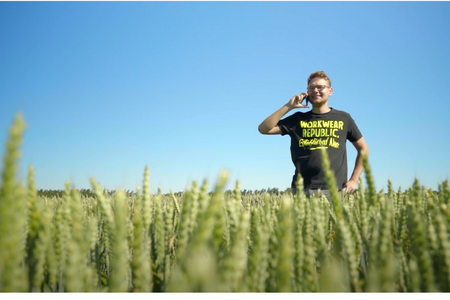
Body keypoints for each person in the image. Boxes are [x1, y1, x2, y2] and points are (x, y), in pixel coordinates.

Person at [258, 71, 369, 198]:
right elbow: (264, 129)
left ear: (330, 91)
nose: (316, 91)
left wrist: (355, 179)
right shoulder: (297, 119)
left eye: (320, 87)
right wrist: (289, 106)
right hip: (301, 190)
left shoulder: (344, 118)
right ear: (307, 93)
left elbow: (363, 149)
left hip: (334, 190)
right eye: (312, 88)